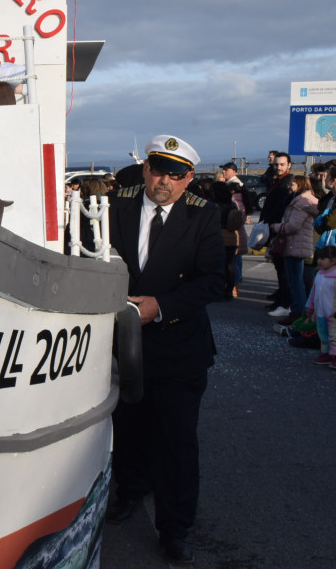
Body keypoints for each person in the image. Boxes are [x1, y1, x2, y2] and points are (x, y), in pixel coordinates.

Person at [104, 134, 223, 565]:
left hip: (179, 346)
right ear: (146, 169)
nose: (163, 181)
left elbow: (213, 281)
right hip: (123, 342)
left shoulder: (204, 216)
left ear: (188, 179)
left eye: (175, 175)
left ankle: (175, 527)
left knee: (175, 441)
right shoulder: (116, 205)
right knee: (130, 428)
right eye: (157, 170)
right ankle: (129, 493)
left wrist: (163, 306)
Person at [271, 175, 318, 325]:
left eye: (292, 184)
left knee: (295, 280)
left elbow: (293, 226)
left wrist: (276, 227)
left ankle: (298, 312)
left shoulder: (301, 202)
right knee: (297, 280)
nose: (289, 187)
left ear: (300, 185)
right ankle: (300, 311)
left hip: (295, 244)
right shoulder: (305, 200)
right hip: (298, 244)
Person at [260, 152, 294, 316]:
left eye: (282, 164)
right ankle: (281, 298)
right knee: (279, 267)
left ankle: (285, 303)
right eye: (276, 164)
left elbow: (282, 207)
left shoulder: (287, 183)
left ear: (289, 165)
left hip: (280, 229)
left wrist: (273, 224)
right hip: (273, 228)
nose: (278, 167)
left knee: (284, 269)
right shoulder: (277, 181)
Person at [307, 245, 336, 368]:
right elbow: (313, 293)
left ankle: (334, 355)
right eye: (319, 258)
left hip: (333, 313)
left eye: (323, 258)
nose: (319, 261)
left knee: (334, 335)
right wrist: (309, 307)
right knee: (323, 334)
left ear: (334, 260)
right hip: (320, 312)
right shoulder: (319, 274)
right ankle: (327, 353)